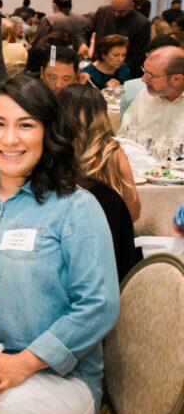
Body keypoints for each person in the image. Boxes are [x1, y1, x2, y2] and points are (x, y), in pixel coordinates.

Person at [0, 74, 119, 414]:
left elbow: (99, 305)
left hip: (59, 380)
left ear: (48, 132)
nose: (10, 139)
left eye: (26, 125)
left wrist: (24, 363)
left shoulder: (76, 207)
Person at [58, 85, 141, 281]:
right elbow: (133, 213)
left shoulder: (54, 155)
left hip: (63, 254)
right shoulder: (114, 155)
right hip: (109, 258)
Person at [118, 45, 184, 142]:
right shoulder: (146, 94)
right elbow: (123, 138)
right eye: (144, 71)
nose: (143, 79)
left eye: (150, 75)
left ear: (177, 79)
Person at [91, 0, 150, 78]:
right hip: (97, 68)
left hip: (123, 73)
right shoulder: (102, 12)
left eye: (121, 11)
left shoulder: (141, 23)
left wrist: (116, 69)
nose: (116, 14)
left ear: (131, 6)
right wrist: (82, 44)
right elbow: (84, 32)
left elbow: (138, 56)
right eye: (113, 10)